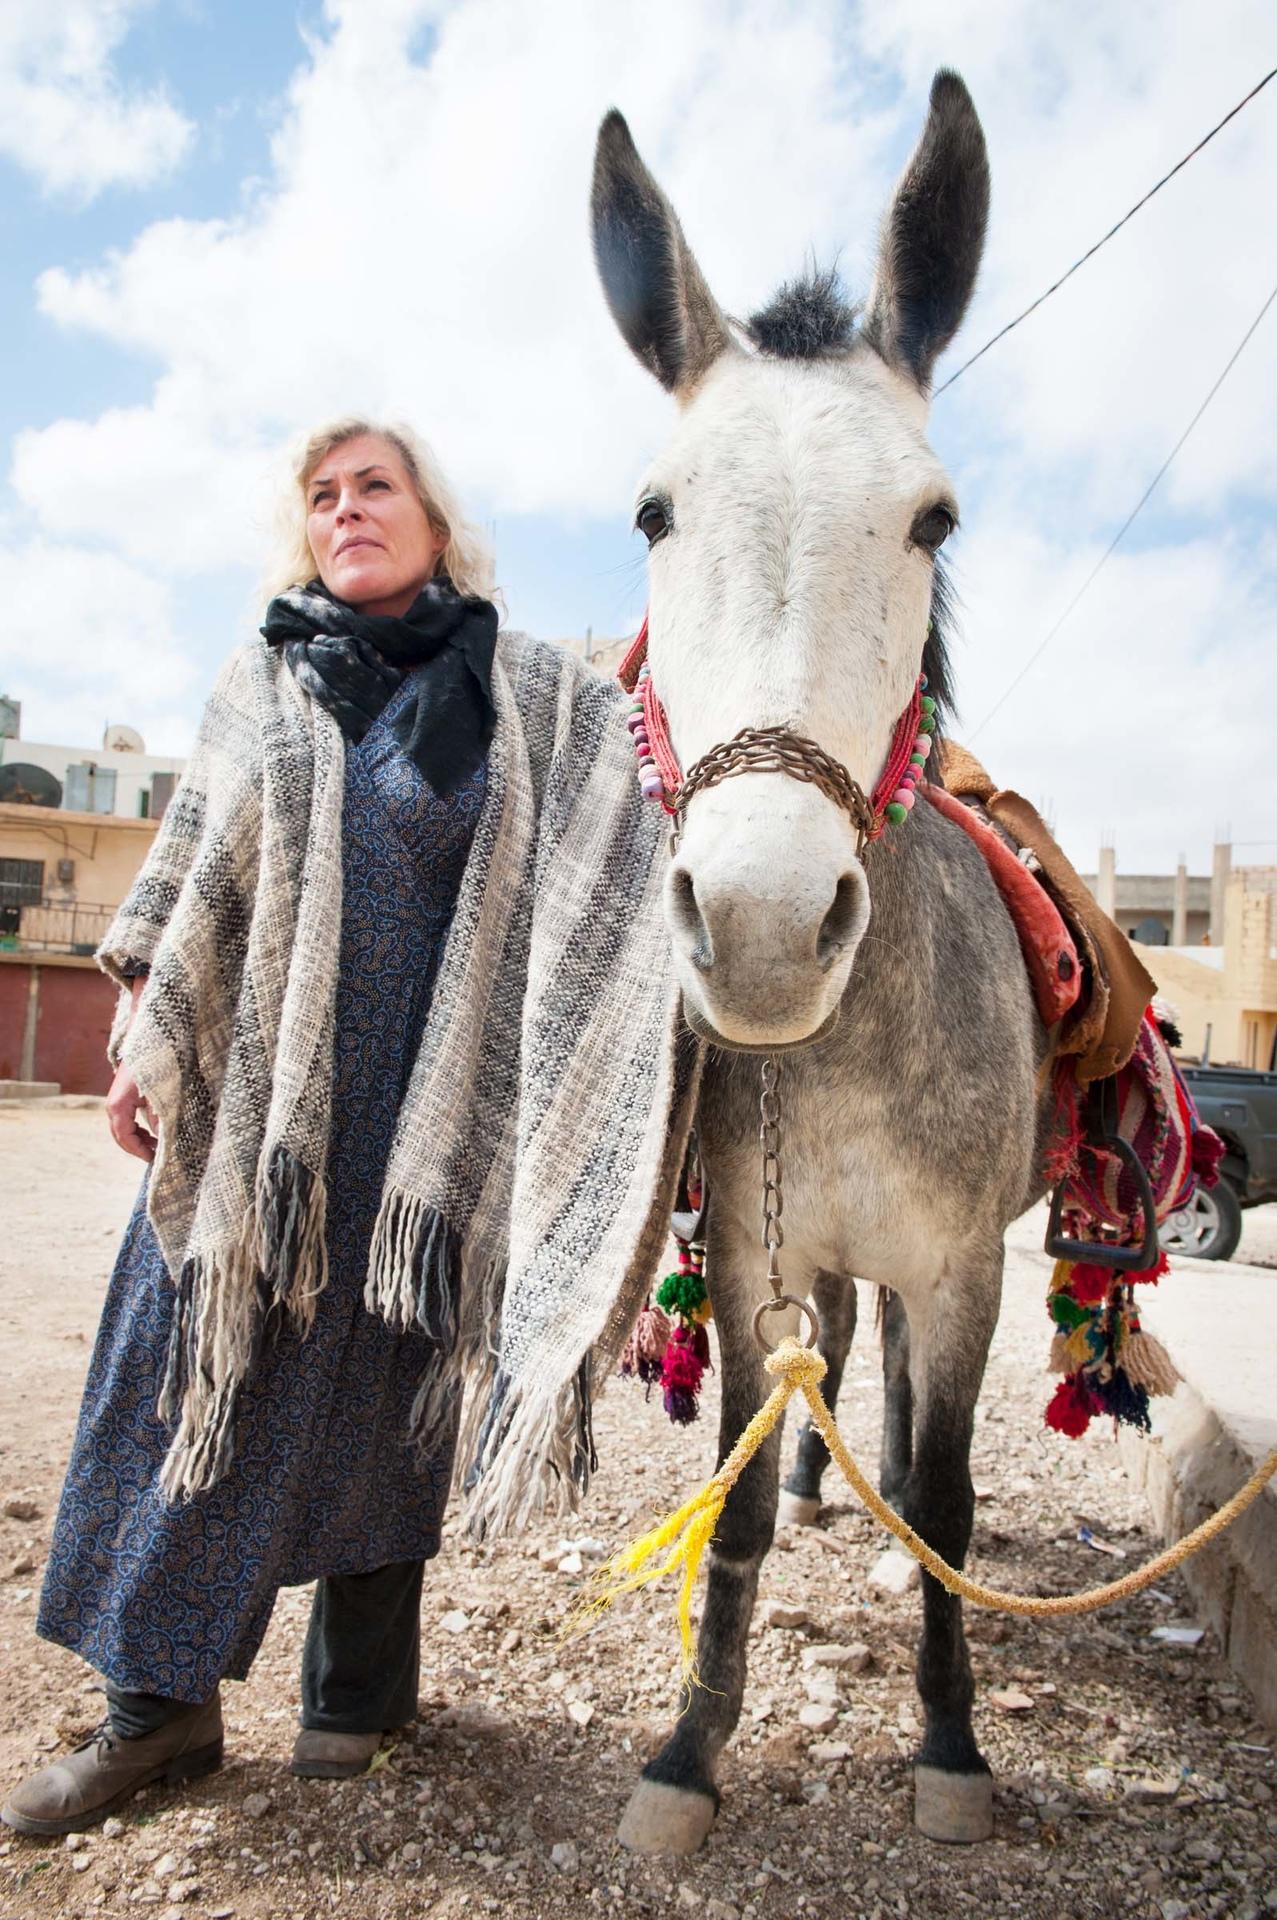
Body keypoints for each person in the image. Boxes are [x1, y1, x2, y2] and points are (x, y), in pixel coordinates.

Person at [2, 419, 691, 1837]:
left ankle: (358, 1704)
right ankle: (157, 1712)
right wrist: (146, 1037)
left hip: (435, 1127)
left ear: (437, 521)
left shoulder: (535, 699)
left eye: (375, 486)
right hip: (268, 1120)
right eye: (322, 495)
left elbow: (619, 859)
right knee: (191, 1373)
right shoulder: (264, 676)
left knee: (390, 1409)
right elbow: (188, 875)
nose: (345, 509)